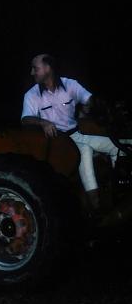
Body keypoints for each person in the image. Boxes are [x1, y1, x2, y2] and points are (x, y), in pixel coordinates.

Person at [21, 54, 120, 209]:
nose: (32, 72)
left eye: (35, 68)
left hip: (78, 134)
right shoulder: (31, 95)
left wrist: (89, 106)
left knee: (118, 146)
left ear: (48, 68)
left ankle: (118, 188)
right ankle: (96, 205)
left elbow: (89, 99)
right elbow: (25, 119)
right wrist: (42, 122)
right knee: (84, 151)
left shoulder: (70, 84)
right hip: (58, 141)